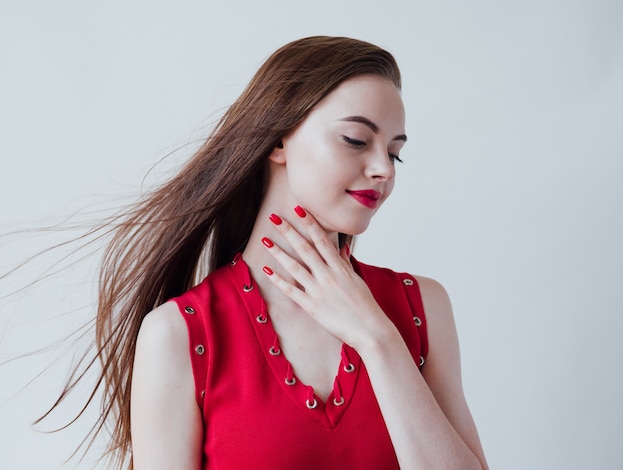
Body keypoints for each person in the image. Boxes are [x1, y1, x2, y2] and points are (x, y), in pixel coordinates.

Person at [82, 36, 488, 469]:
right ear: (278, 141)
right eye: (355, 140)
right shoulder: (179, 335)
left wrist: (378, 339)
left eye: (395, 154)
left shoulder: (422, 307)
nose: (383, 170)